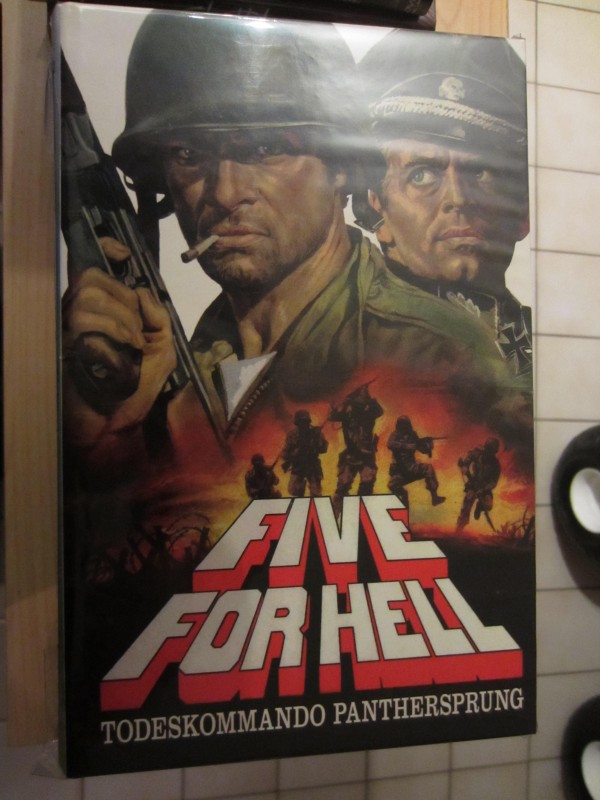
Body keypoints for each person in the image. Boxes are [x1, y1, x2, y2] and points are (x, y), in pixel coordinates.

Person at [61, 12, 514, 472]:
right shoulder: (177, 366)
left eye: (266, 149)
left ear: (341, 166)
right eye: (189, 154)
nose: (225, 193)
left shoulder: (432, 355)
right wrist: (105, 445)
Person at [357, 32, 533, 383]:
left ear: (523, 214)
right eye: (421, 174)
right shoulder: (339, 355)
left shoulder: (552, 350)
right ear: (376, 209)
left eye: (481, 172)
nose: (459, 198)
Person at [328, 383, 383, 516]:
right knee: (343, 486)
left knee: (367, 485)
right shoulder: (347, 413)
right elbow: (332, 416)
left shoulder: (369, 413)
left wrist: (368, 397)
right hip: (351, 455)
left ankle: (360, 514)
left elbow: (379, 411)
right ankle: (334, 516)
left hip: (366, 455)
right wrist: (342, 403)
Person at [387, 416, 445, 509]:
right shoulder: (395, 435)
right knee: (392, 486)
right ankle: (403, 501)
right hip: (399, 470)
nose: (404, 427)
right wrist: (406, 446)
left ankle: (434, 497)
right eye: (402, 424)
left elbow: (421, 448)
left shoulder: (413, 435)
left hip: (412, 468)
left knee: (428, 468)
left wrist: (428, 447)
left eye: (405, 424)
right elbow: (390, 444)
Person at [456, 438, 502, 533]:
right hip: (473, 483)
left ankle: (479, 507)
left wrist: (484, 489)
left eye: (491, 451)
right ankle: (458, 530)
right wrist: (465, 466)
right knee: (466, 506)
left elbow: (493, 482)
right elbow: (468, 459)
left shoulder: (496, 465)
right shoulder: (477, 453)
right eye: (487, 450)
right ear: (485, 448)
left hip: (485, 488)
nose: (488, 453)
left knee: (488, 505)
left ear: (494, 452)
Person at [281, 410, 328, 497]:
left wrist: (317, 440)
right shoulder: (292, 435)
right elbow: (285, 453)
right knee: (293, 490)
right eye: (301, 422)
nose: (303, 424)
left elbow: (324, 449)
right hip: (298, 465)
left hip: (312, 464)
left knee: (316, 492)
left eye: (305, 422)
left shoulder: (316, 432)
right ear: (297, 423)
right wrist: (295, 453)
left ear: (308, 422)